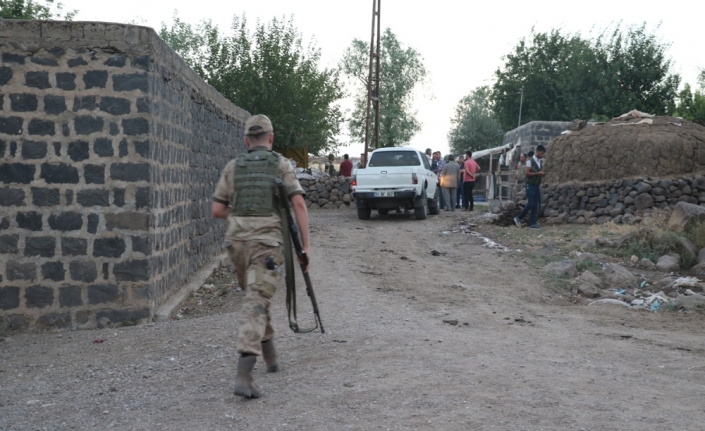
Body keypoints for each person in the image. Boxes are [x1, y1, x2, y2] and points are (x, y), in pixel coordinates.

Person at [211, 114, 310, 399]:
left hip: (237, 244)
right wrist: (305, 248)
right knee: (256, 299)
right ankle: (244, 373)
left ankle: (271, 357)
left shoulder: (233, 167)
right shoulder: (280, 164)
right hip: (266, 244)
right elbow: (299, 204)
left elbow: (217, 210)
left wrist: (241, 215)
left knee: (257, 294)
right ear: (271, 138)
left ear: (245, 141)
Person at [514, 145, 546, 229]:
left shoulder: (540, 162)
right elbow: (527, 173)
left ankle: (533, 223)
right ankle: (518, 218)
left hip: (536, 185)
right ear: (538, 152)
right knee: (531, 203)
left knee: (535, 204)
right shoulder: (530, 161)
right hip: (530, 185)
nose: (542, 155)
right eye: (542, 153)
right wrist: (537, 174)